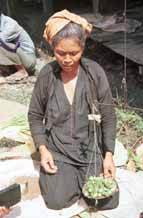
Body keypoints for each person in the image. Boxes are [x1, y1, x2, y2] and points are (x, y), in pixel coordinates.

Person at [28, 9, 118, 210]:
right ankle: (67, 178)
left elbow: (109, 116)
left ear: (83, 48)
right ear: (53, 48)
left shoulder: (94, 73)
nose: (67, 59)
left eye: (73, 53)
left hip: (90, 149)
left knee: (107, 200)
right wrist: (43, 150)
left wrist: (108, 155)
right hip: (59, 150)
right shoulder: (47, 75)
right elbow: (35, 115)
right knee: (56, 201)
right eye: (61, 53)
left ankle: (76, 178)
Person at [0, 3, 36, 82]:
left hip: (28, 60)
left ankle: (22, 71)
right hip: (17, 58)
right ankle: (6, 71)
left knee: (1, 44)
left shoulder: (10, 24)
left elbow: (2, 40)